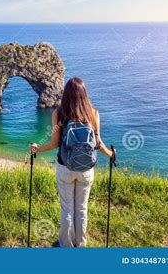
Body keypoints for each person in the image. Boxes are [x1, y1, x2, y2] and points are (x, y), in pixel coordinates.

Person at [30, 77, 114, 248]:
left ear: (66, 94)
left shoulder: (59, 114)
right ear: (84, 94)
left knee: (67, 208)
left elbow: (54, 143)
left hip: (65, 167)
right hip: (86, 170)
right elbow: (98, 143)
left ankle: (66, 245)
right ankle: (80, 244)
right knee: (81, 209)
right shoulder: (94, 113)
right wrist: (110, 154)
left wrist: (37, 149)